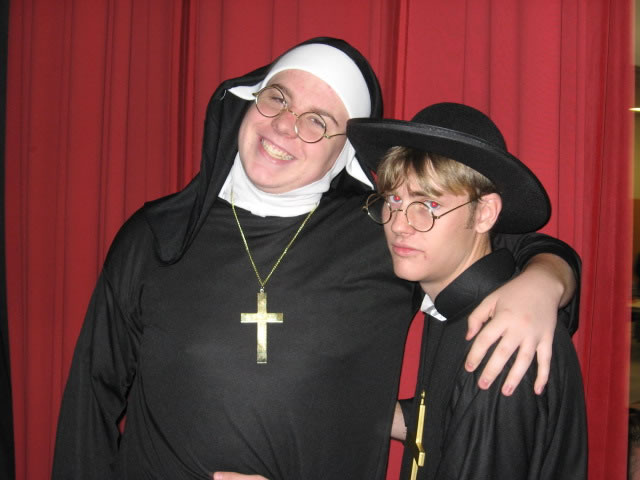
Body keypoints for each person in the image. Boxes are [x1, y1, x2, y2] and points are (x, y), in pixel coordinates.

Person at [52, 38, 579, 480]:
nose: (285, 126)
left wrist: (546, 281)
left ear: (343, 151)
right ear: (250, 102)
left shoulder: (383, 231)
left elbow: (490, 252)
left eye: (317, 121)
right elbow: (91, 400)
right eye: (277, 99)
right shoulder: (156, 234)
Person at [348, 102, 587, 479]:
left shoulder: (500, 341)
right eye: (394, 199)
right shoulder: (454, 302)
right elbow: (447, 422)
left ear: (485, 213)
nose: (400, 225)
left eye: (428, 204)